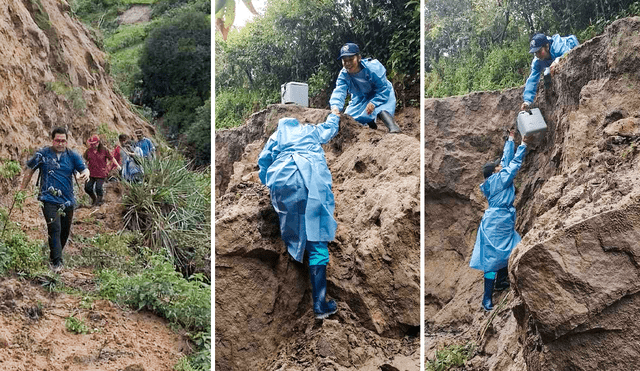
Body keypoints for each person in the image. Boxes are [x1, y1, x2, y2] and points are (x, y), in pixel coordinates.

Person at [257, 113, 341, 319]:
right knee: (318, 236)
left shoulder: (276, 136)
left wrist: (265, 179)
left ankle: (298, 248)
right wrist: (334, 115)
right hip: (312, 177)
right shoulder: (309, 130)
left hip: (283, 178)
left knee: (292, 220)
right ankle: (320, 304)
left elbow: (264, 160)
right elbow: (329, 129)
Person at [469, 130, 530, 311]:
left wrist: (510, 140)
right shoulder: (498, 180)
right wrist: (523, 145)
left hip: (501, 219)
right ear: (494, 173)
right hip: (496, 222)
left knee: (511, 248)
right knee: (492, 259)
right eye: (497, 167)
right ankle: (486, 299)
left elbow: (505, 160)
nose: (500, 165)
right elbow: (514, 164)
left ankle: (501, 281)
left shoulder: (495, 178)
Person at [20, 127, 90, 273]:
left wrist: (85, 174)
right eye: (57, 140)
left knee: (64, 232)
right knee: (55, 228)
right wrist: (22, 191)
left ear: (66, 141)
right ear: (52, 140)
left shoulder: (72, 155)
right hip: (48, 198)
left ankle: (53, 257)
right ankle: (57, 263)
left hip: (68, 200)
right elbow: (29, 170)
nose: (60, 143)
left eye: (63, 141)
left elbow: (84, 169)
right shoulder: (43, 154)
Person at [329, 43, 401, 133]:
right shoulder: (344, 74)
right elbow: (339, 91)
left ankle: (393, 127)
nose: (348, 64)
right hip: (360, 98)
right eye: (344, 60)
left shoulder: (372, 68)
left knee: (381, 108)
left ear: (359, 58)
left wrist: (374, 103)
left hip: (380, 93)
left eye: (351, 59)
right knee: (348, 118)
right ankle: (371, 123)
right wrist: (335, 107)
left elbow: (383, 88)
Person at [521, 33, 579, 110]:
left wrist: (558, 60)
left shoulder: (557, 46)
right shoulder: (537, 61)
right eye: (535, 53)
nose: (537, 55)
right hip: (552, 60)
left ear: (547, 47)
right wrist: (527, 101)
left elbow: (567, 53)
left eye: (539, 51)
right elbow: (532, 79)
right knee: (547, 73)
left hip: (572, 45)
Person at [83, 135, 120, 206]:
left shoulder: (104, 150)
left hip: (101, 173)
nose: (93, 145)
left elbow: (112, 158)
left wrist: (117, 165)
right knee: (87, 187)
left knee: (98, 188)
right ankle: (94, 199)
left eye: (94, 143)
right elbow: (84, 160)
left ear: (98, 142)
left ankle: (99, 201)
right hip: (91, 173)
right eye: (92, 144)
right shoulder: (88, 151)